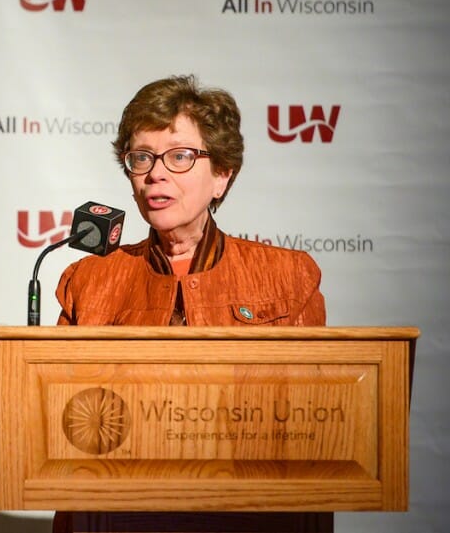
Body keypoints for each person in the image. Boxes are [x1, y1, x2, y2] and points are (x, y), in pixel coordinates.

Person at [52, 75, 324, 532]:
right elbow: (59, 416)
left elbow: (316, 419)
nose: (156, 172)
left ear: (222, 175)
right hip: (119, 510)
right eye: (142, 157)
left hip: (249, 512)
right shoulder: (89, 279)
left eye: (180, 156)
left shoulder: (287, 276)